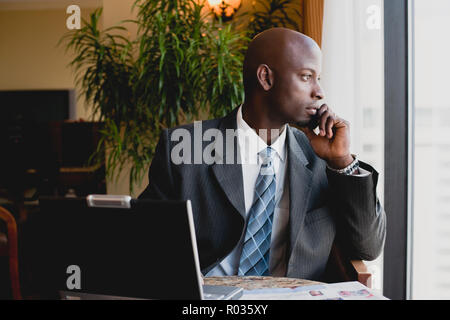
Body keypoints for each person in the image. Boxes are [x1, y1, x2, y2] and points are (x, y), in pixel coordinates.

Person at [138, 28, 386, 281]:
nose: (319, 92)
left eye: (318, 78)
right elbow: (143, 243)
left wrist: (341, 162)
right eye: (306, 76)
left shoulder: (323, 157)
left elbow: (367, 247)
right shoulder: (185, 146)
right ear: (265, 78)